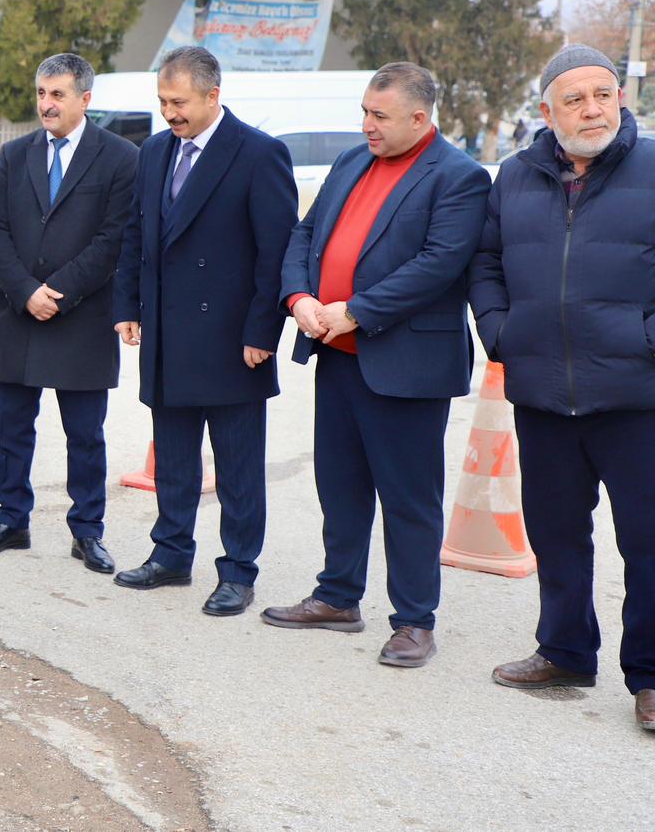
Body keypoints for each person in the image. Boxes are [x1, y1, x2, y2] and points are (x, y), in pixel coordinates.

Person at [261, 63, 489, 668]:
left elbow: (439, 264)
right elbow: (305, 235)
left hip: (405, 364)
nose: (366, 125)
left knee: (409, 498)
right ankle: (338, 596)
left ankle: (415, 620)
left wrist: (356, 311)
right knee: (339, 485)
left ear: (420, 118)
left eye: (378, 115)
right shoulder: (349, 162)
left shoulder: (459, 178)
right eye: (364, 111)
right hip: (337, 356)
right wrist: (300, 298)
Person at [469, 44, 655, 730]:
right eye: (573, 99)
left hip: (639, 398)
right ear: (546, 112)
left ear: (620, 98)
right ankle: (567, 650)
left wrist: (644, 340)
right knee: (557, 534)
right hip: (544, 395)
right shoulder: (515, 177)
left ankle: (652, 677)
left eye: (602, 94)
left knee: (649, 542)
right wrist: (501, 331)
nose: (591, 109)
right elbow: (485, 263)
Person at [113, 46, 297, 616]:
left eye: (179, 102)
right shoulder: (153, 152)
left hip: (232, 339)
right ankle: (170, 553)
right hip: (167, 334)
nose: (170, 113)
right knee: (173, 456)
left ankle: (238, 570)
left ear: (213, 96)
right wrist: (128, 304)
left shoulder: (259, 154)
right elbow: (135, 234)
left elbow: (276, 252)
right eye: (163, 101)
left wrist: (263, 330)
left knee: (238, 464)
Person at [0, 53, 138, 574]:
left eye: (58, 94)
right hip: (20, 314)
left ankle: (87, 531)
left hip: (82, 318)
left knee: (85, 434)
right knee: (13, 427)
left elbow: (113, 239)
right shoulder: (17, 154)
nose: (46, 104)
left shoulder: (118, 158)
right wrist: (25, 292)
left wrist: (58, 292)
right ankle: (11, 521)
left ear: (85, 99)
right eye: (42, 93)